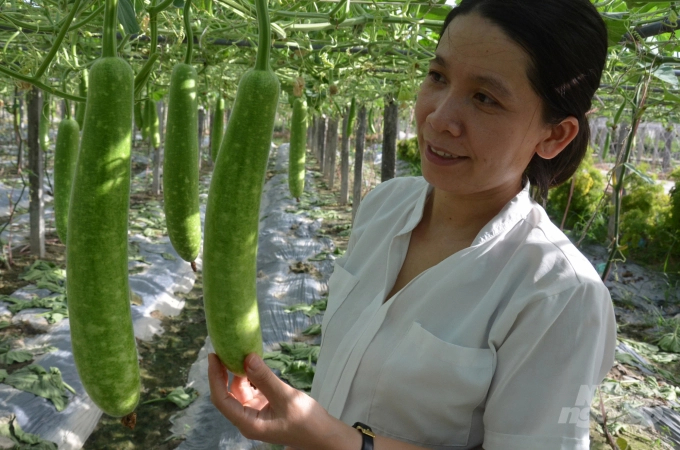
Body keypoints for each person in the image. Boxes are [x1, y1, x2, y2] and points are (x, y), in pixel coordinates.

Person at [207, 0, 618, 448]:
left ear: (553, 135)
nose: (439, 118)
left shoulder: (561, 295)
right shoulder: (383, 206)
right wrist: (305, 420)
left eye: (485, 98)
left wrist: (338, 439)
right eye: (438, 77)